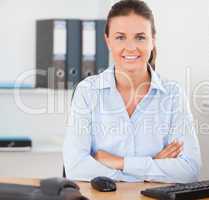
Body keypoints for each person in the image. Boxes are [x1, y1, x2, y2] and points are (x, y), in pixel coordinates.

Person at [63, 0, 201, 183]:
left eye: (140, 37)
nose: (130, 47)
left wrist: (119, 162)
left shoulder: (173, 94)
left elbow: (189, 170)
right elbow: (76, 167)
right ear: (108, 41)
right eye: (120, 37)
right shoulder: (87, 91)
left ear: (153, 40)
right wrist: (151, 167)